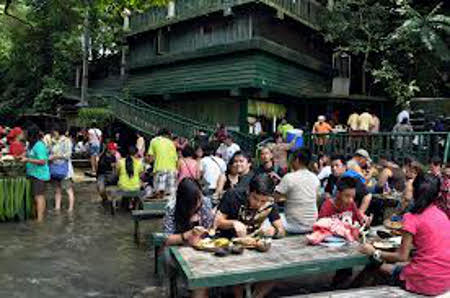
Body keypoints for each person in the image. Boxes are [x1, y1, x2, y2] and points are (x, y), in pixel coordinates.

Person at [359, 177, 450, 296]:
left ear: (414, 192)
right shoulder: (442, 216)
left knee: (378, 265)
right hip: (444, 280)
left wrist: (374, 252)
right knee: (397, 267)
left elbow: (402, 256)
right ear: (437, 194)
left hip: (424, 282)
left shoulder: (412, 218)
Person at [163, 178, 214, 298]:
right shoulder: (172, 207)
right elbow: (167, 239)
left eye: (199, 198)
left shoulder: (205, 202)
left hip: (200, 245)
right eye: (194, 202)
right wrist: (187, 235)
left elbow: (209, 229)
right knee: (167, 258)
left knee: (204, 272)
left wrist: (203, 234)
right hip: (177, 247)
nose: (198, 204)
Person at [216, 173, 285, 239]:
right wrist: (233, 223)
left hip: (253, 242)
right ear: (248, 191)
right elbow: (217, 222)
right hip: (227, 240)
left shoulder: (270, 203)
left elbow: (281, 230)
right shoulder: (233, 195)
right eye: (255, 198)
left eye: (263, 201)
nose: (258, 204)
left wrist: (274, 231)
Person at [275, 148, 320, 234]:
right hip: (312, 224)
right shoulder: (315, 178)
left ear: (297, 160)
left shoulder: (289, 177)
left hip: (293, 225)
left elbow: (274, 198)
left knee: (269, 219)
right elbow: (315, 199)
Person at [20, 126, 50, 222]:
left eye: (25, 133)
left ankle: (40, 220)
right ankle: (38, 216)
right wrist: (21, 157)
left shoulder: (39, 145)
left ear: (31, 134)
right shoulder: (30, 145)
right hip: (32, 173)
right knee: (35, 196)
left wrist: (28, 159)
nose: (24, 134)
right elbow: (29, 155)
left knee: (39, 196)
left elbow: (42, 161)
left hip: (40, 175)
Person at [49, 125, 75, 212]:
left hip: (65, 169)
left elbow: (68, 155)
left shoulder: (67, 141)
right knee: (57, 190)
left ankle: (70, 209)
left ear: (59, 131)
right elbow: (50, 152)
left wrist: (56, 156)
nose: (53, 133)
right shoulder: (52, 141)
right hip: (54, 168)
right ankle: (57, 208)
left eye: (54, 132)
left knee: (68, 189)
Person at [147, 129, 178, 199]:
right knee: (170, 195)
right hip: (172, 170)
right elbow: (176, 160)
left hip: (159, 169)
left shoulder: (154, 141)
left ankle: (158, 208)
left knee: (158, 192)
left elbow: (151, 158)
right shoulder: (171, 143)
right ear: (167, 135)